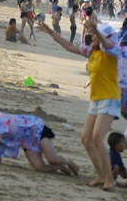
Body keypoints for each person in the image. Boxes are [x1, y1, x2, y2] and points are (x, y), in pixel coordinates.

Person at [39, 17, 120, 190]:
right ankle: (100, 174)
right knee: (85, 139)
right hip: (96, 99)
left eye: (95, 35)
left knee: (97, 138)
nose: (92, 37)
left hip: (110, 98)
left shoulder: (112, 51)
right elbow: (69, 46)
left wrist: (97, 30)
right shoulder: (91, 51)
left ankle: (109, 179)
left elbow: (108, 44)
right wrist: (51, 32)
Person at [0, 112, 79, 175]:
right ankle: (60, 166)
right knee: (39, 167)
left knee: (52, 158)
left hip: (36, 129)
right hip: (27, 141)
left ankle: (68, 161)